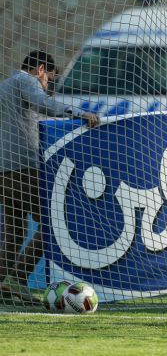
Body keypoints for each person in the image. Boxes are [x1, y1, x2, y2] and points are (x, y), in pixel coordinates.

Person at [0, 51, 99, 304]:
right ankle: (18, 278)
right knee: (53, 223)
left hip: (4, 171)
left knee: (15, 230)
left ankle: (3, 284)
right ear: (41, 69)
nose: (47, 86)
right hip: (23, 167)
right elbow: (42, 103)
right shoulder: (26, 81)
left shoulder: (4, 87)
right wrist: (78, 113)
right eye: (49, 80)